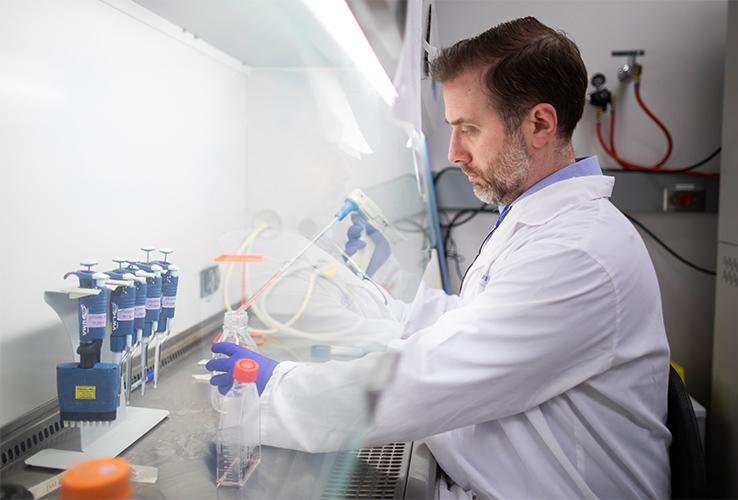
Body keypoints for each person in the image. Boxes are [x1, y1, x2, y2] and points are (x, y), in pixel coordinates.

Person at [207, 16, 671, 499]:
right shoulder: (540, 223)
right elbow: (467, 324)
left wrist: (275, 389)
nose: (454, 153)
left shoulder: (578, 252)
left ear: (539, 124)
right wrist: (359, 290)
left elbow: (430, 378)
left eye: (468, 129)